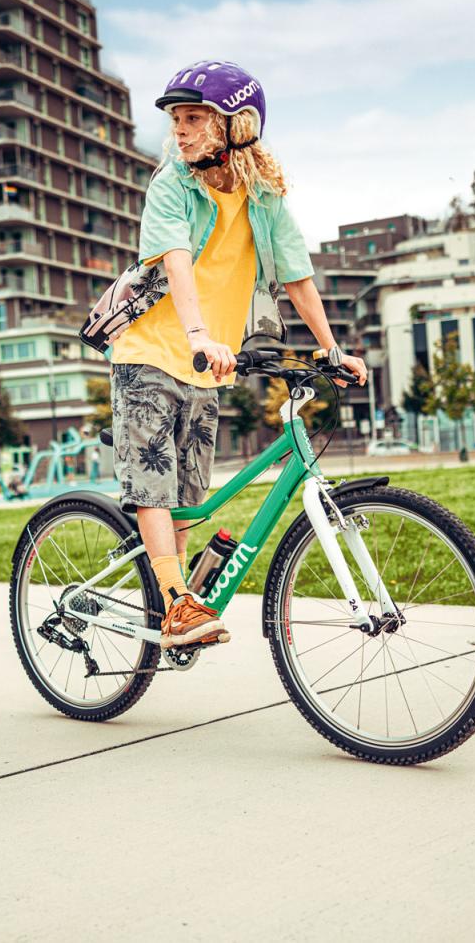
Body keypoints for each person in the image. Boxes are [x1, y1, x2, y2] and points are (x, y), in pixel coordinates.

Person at [110, 60, 367, 648]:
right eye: (176, 118)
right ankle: (176, 603)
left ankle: (181, 599)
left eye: (194, 117)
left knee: (188, 503)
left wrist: (331, 350)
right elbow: (174, 258)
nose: (179, 130)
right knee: (152, 482)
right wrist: (198, 335)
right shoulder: (172, 183)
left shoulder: (264, 195)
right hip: (151, 350)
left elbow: (297, 274)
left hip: (208, 364)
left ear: (237, 125)